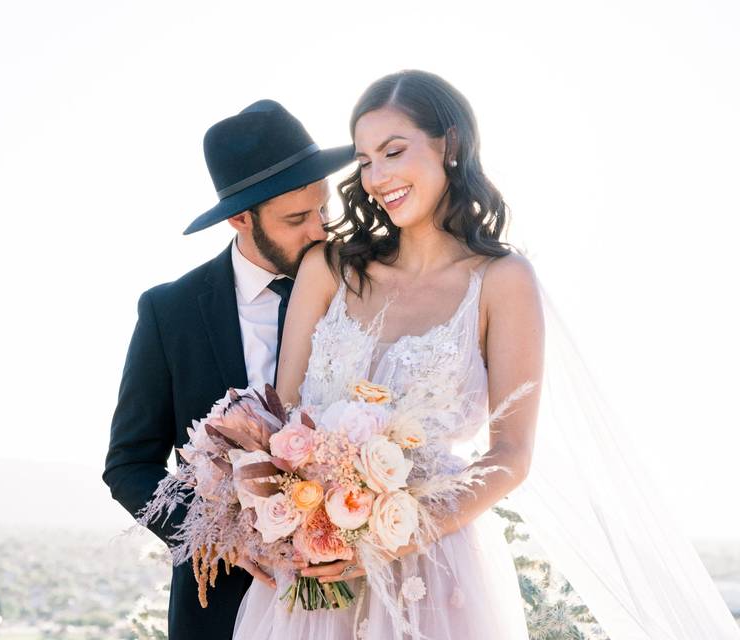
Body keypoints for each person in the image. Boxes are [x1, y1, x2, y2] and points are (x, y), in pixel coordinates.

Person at [233, 70, 740, 639]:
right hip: (314, 569)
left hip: (435, 570)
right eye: (365, 160)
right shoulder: (329, 268)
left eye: (394, 151)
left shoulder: (503, 281)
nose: (376, 177)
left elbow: (512, 454)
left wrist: (397, 534)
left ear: (448, 144)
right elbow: (284, 420)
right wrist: (297, 519)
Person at [103, 99, 354, 640]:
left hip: (357, 600)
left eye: (321, 209)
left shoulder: (361, 289)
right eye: (295, 219)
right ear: (241, 218)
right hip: (221, 611)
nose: (319, 231)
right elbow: (129, 464)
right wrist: (222, 538)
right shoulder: (170, 312)